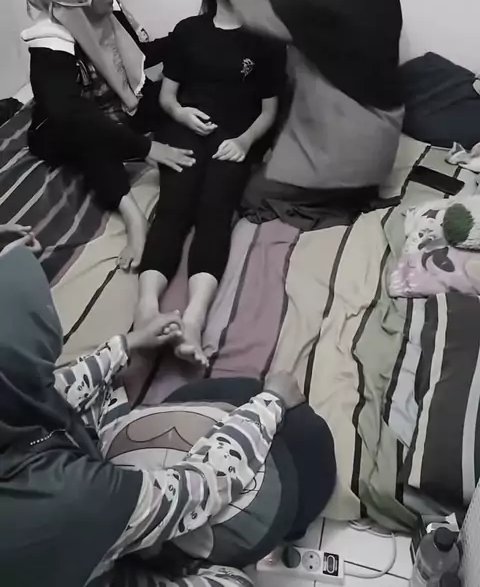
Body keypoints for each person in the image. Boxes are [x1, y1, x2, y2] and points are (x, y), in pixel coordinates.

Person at [0, 247, 337, 587]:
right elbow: (198, 488)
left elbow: (53, 386)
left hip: (60, 531)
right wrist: (271, 403)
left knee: (99, 394)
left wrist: (127, 344)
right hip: (80, 548)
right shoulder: (68, 495)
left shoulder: (16, 399)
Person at [222, 0, 404, 229]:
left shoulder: (326, 4)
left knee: (248, 194)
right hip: (379, 155)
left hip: (342, 154)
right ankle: (342, 192)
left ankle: (328, 199)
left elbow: (254, 12)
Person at [136, 0, 286, 363]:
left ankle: (194, 319)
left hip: (233, 140)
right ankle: (146, 310)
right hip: (184, 131)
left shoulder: (265, 40)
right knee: (174, 207)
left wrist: (244, 141)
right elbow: (167, 97)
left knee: (214, 210)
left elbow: (269, 111)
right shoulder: (189, 30)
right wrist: (182, 114)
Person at [21, 0, 195, 269]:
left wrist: (186, 36)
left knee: (178, 96)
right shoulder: (48, 46)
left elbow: (138, 55)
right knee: (91, 137)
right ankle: (133, 217)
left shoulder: (106, 13)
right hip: (63, 128)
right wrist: (146, 148)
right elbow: (70, 114)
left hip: (113, 107)